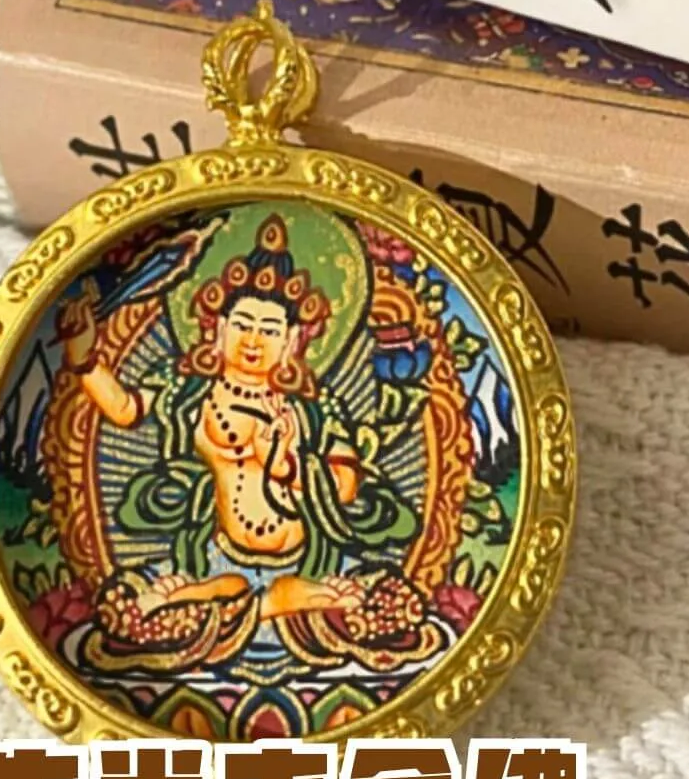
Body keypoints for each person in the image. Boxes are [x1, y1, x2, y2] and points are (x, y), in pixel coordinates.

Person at [60, 213, 421, 660]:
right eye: (243, 324)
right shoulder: (189, 391)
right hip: (216, 558)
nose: (253, 340)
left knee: (388, 606)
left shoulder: (312, 407)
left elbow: (345, 487)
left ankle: (258, 601)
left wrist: (286, 465)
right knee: (132, 609)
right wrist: (83, 359)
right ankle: (261, 601)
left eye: (269, 330)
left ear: (292, 341)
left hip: (309, 560)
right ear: (218, 328)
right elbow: (124, 408)